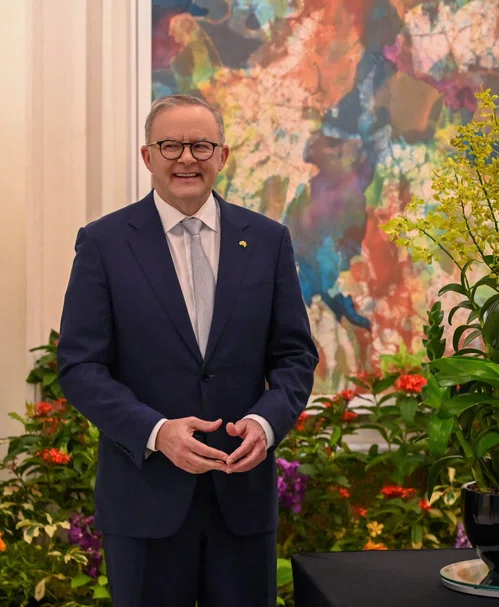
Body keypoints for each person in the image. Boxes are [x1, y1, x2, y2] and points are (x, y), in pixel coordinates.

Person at [57, 94, 319, 606]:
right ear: (147, 156)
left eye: (201, 145)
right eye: (171, 144)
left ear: (222, 156)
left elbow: (294, 356)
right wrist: (157, 433)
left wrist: (265, 425)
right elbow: (81, 366)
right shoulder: (104, 243)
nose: (186, 158)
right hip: (144, 501)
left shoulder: (268, 241)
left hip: (240, 498)